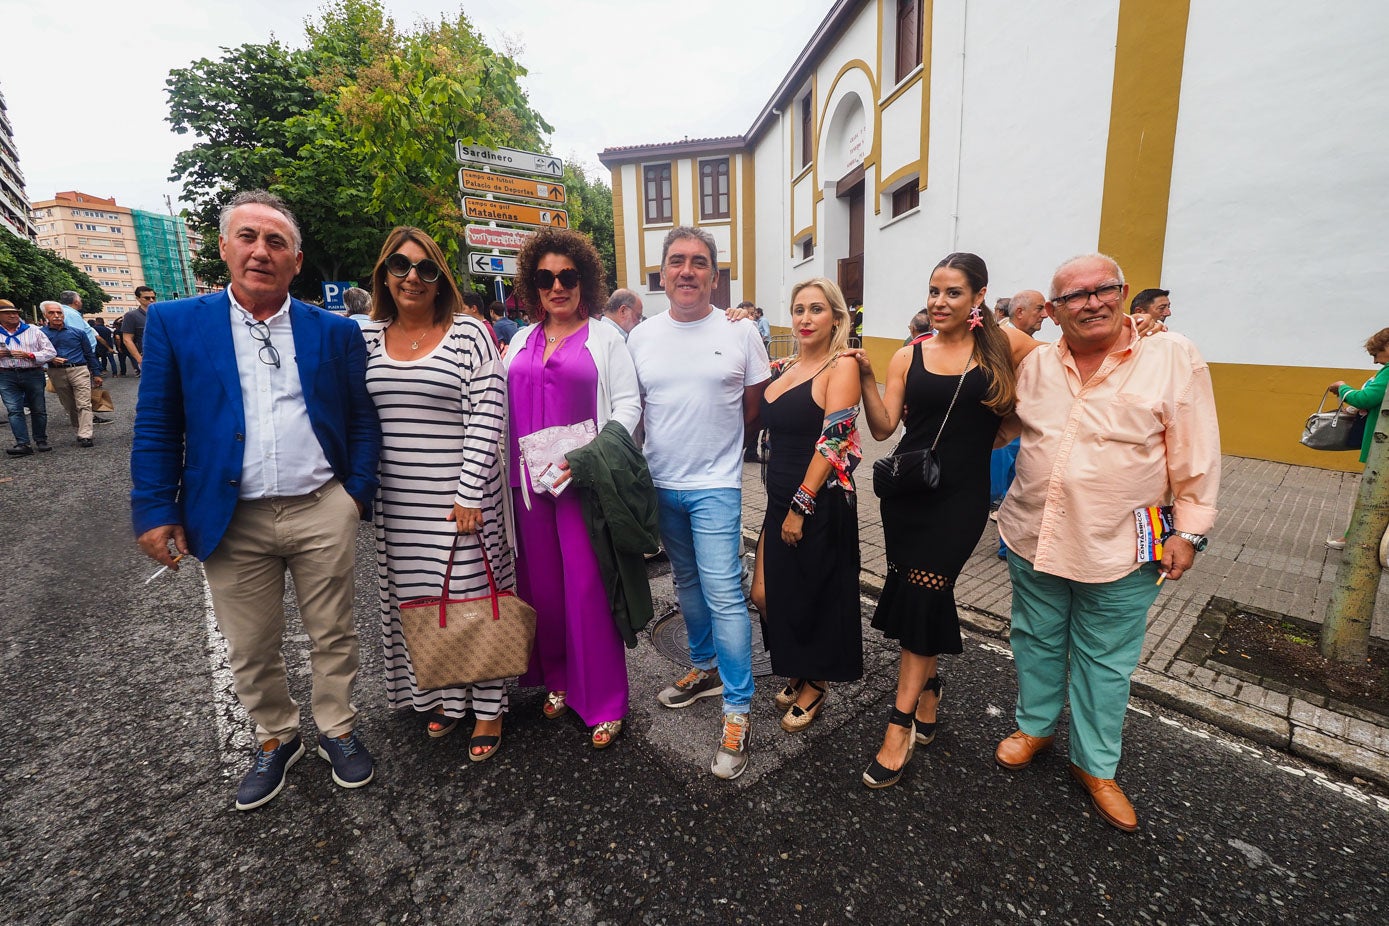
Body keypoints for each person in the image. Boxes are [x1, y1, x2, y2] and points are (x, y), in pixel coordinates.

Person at [131, 190, 382, 811]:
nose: (261, 252)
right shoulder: (178, 323)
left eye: (276, 243)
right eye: (248, 238)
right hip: (230, 515)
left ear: (296, 261)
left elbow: (361, 420)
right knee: (249, 643)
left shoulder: (335, 331)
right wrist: (156, 510)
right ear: (224, 247)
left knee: (334, 631)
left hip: (321, 505)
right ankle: (276, 736)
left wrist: (354, 495)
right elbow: (159, 423)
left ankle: (337, 727)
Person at [995, 253, 1219, 832]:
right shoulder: (1039, 365)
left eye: (1104, 290)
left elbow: (1196, 449)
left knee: (1106, 661)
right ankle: (1035, 727)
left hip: (1121, 545)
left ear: (1123, 293)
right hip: (1032, 534)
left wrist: (1189, 532)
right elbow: (1003, 424)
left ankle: (1095, 766)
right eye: (1075, 295)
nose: (1092, 302)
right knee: (1036, 639)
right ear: (1053, 310)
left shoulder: (1172, 355)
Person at [850, 253, 1026, 789]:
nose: (939, 302)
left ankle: (897, 725)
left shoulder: (1004, 348)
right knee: (917, 592)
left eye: (952, 292)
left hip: (960, 500)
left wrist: (983, 444)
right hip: (908, 491)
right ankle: (929, 689)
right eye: (933, 291)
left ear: (978, 296)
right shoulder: (910, 355)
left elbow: (1025, 410)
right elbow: (883, 429)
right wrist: (864, 378)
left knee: (926, 592)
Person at [360, 226, 515, 761]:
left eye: (426, 269)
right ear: (384, 274)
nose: (412, 278)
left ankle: (490, 707)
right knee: (425, 600)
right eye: (400, 266)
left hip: (461, 500)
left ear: (441, 279)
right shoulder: (366, 340)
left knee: (472, 598)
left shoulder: (469, 334)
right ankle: (449, 698)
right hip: (398, 504)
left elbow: (488, 415)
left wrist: (470, 491)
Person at [627, 226, 771, 780]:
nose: (687, 271)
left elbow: (753, 409)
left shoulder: (741, 332)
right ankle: (703, 667)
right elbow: (635, 411)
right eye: (676, 261)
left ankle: (738, 709)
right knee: (685, 583)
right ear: (662, 273)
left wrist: (719, 455)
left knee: (724, 593)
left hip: (716, 486)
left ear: (715, 274)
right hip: (661, 483)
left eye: (699, 262)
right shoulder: (640, 336)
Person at [505, 227, 644, 749]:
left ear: (583, 280)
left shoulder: (606, 337)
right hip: (529, 491)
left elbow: (628, 405)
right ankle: (559, 680)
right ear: (532, 284)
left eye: (567, 276)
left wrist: (590, 455)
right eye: (545, 278)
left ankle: (605, 700)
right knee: (544, 591)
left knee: (587, 589)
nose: (556, 286)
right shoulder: (520, 339)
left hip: (583, 485)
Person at [748, 277, 863, 733]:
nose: (805, 318)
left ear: (836, 317)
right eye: (798, 309)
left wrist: (801, 504)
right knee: (764, 593)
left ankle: (814, 681)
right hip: (778, 499)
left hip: (815, 502)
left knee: (813, 595)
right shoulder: (783, 366)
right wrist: (738, 318)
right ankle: (798, 666)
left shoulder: (842, 366)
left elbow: (835, 439)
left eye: (817, 309)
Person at [989, 289, 1050, 556]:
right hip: (1001, 432)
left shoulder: (1033, 345)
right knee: (995, 489)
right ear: (1020, 312)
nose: (1045, 315)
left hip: (1023, 432)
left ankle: (1008, 545)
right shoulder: (998, 338)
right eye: (1039, 309)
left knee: (1017, 490)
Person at [1324, 327, 1389, 549]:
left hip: (1384, 445)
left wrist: (1343, 388)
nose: (1374, 362)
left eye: (1375, 354)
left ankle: (1355, 540)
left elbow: (1366, 398)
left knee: (1373, 494)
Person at [40, 301, 102, 448]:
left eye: (59, 312)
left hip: (79, 369)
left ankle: (85, 434)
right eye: (52, 313)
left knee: (84, 403)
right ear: (45, 315)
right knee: (69, 405)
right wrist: (50, 358)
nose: (56, 316)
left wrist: (97, 373)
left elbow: (89, 354)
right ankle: (79, 428)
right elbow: (37, 353)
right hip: (56, 372)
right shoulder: (41, 334)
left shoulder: (77, 333)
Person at [0, 299, 56, 456]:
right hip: (6, 374)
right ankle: (23, 444)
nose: (13, 315)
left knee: (38, 408)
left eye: (15, 313)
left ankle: (41, 440)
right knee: (14, 410)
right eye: (8, 313)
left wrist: (30, 355)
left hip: (32, 373)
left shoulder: (33, 330)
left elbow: (51, 352)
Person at [122, 286, 156, 374]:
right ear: (138, 299)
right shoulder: (131, 316)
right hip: (147, 357)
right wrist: (139, 359)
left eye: (153, 297)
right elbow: (127, 339)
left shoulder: (160, 313)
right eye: (147, 298)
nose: (151, 300)